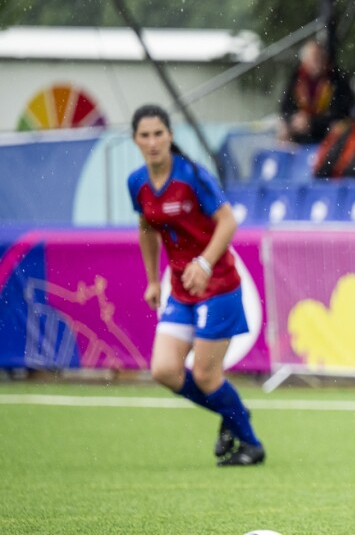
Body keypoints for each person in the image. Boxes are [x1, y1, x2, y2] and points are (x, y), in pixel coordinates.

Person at [126, 105, 264, 467]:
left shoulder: (193, 176)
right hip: (182, 290)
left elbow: (228, 221)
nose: (153, 142)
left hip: (219, 286)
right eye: (145, 135)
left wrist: (204, 263)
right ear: (135, 140)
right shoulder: (137, 183)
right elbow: (146, 228)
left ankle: (251, 445)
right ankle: (233, 413)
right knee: (164, 371)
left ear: (170, 136)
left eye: (159, 134)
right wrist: (153, 280)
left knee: (205, 375)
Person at [279, 39, 355, 145]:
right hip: (301, 130)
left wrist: (312, 122)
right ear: (305, 61)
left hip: (325, 131)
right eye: (313, 58)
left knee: (338, 128)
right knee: (283, 129)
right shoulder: (296, 78)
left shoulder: (337, 79)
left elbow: (340, 113)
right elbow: (285, 107)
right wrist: (293, 119)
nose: (317, 62)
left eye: (320, 57)